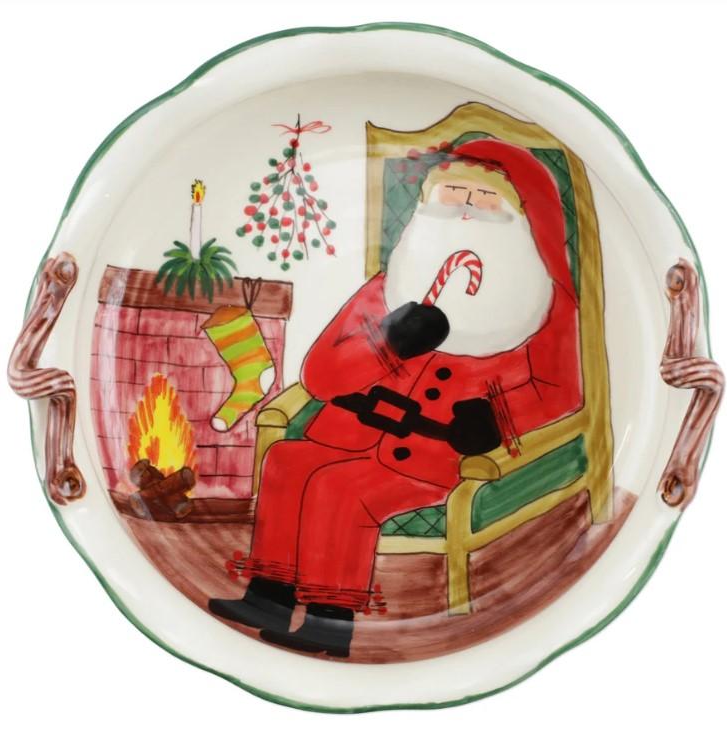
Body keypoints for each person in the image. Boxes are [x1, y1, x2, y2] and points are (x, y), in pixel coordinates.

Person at [208, 138, 583, 657]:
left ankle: (329, 623)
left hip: (431, 455)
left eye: (484, 197)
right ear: (429, 204)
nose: (466, 207)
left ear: (518, 217)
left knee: (341, 489)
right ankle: (268, 598)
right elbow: (319, 374)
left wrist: (495, 418)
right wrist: (388, 344)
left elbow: (561, 392)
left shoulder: (540, 303)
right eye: (453, 192)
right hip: (349, 432)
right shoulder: (394, 284)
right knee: (288, 462)